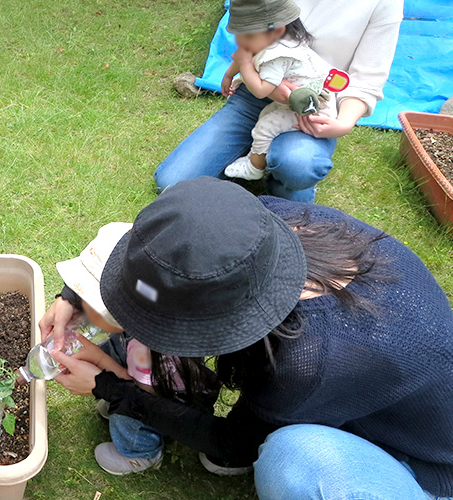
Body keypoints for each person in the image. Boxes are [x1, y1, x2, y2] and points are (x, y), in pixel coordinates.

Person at [47, 177, 453, 498]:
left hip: (420, 464)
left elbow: (231, 445)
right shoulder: (251, 224)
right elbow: (165, 249)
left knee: (289, 457)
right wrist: (73, 298)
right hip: (360, 385)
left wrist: (109, 386)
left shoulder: (306, 360)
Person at [153, 0, 402, 202]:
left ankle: (276, 170)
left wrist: (344, 122)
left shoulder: (384, 4)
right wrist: (252, 76)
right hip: (253, 99)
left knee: (297, 165)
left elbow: (367, 79)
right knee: (173, 182)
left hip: (308, 109)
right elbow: (251, 39)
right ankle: (256, 158)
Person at [52, 222, 217, 475]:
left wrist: (100, 367)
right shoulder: (156, 306)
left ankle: (140, 452)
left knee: (128, 415)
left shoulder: (149, 350)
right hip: (146, 372)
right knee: (112, 352)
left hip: (159, 396)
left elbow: (139, 395)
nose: (86, 309)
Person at [219, 0, 339, 181]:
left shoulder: (278, 55)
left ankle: (254, 167)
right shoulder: (268, 39)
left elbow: (261, 90)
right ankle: (258, 153)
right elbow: (245, 53)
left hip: (311, 108)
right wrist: (229, 75)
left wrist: (244, 64)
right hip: (290, 102)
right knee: (266, 115)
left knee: (266, 127)